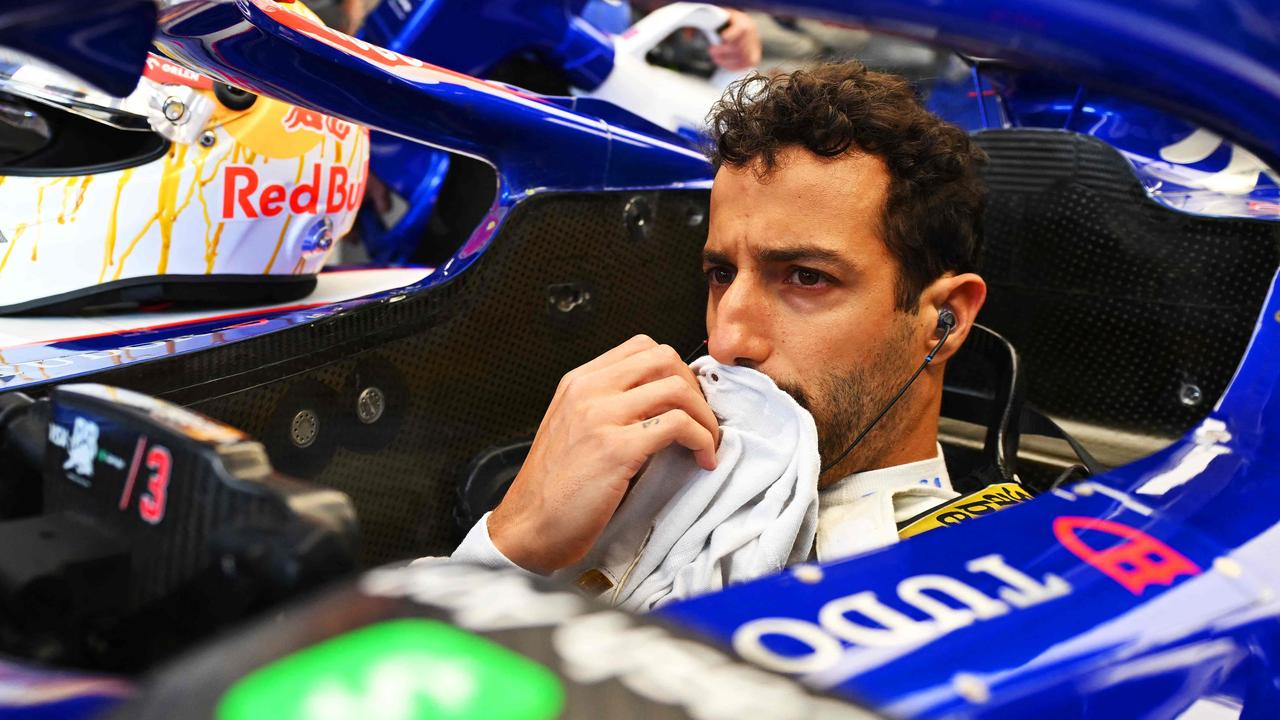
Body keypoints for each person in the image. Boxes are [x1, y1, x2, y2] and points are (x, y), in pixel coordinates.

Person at [455, 60, 989, 576]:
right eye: (722, 274)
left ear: (944, 319)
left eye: (805, 277)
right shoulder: (623, 481)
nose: (727, 341)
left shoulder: (984, 576)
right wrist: (513, 541)